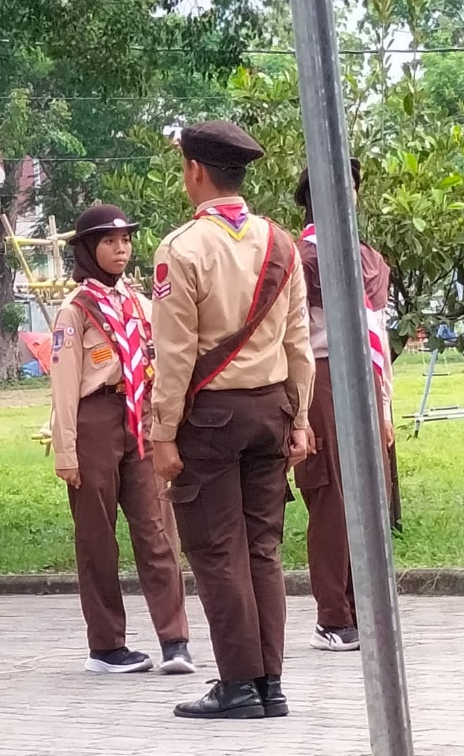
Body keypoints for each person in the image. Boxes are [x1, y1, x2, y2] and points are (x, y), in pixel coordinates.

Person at [151, 121, 314, 720]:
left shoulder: (182, 248)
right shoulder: (281, 243)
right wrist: (300, 417)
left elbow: (175, 355)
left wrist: (162, 431)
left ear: (195, 171)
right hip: (272, 410)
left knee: (218, 551)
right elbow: (298, 342)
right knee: (262, 550)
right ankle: (271, 684)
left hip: (211, 418)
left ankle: (238, 685)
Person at [51, 204, 193, 675]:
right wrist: (66, 450)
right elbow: (64, 384)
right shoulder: (75, 310)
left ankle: (175, 640)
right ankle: (107, 646)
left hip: (141, 416)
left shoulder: (140, 303)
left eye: (126, 241)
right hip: (95, 418)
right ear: (88, 250)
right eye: (109, 242)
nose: (121, 250)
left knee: (157, 529)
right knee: (97, 536)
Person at [292, 159, 393, 653]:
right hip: (323, 375)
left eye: (351, 185)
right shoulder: (302, 259)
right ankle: (332, 615)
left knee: (373, 493)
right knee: (331, 495)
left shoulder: (368, 258)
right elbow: (293, 337)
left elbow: (379, 334)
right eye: (336, 184)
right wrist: (299, 409)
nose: (347, 192)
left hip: (365, 376)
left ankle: (366, 603)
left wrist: (386, 407)